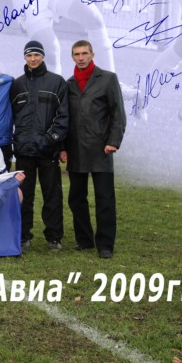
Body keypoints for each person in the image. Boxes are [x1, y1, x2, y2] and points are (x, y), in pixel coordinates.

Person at [60, 40, 126, 259]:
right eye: (77, 54)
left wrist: (113, 141)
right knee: (76, 198)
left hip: (101, 148)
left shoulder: (107, 79)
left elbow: (118, 113)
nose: (81, 58)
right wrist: (63, 147)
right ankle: (84, 239)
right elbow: (65, 118)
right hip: (76, 149)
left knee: (104, 198)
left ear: (92, 54)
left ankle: (105, 244)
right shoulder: (68, 84)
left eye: (84, 53)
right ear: (72, 57)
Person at [10, 40, 68, 251]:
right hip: (24, 151)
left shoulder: (57, 82)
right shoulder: (17, 85)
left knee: (52, 195)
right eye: (29, 55)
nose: (33, 59)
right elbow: (11, 116)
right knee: (23, 196)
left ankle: (54, 237)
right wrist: (17, 141)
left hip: (48, 150)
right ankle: (24, 235)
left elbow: (63, 117)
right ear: (25, 57)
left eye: (36, 55)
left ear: (43, 56)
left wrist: (49, 140)